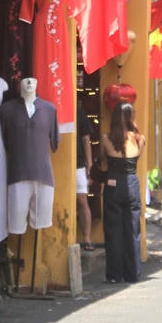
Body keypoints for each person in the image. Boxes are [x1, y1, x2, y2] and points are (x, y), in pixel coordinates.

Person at [0, 77, 59, 235]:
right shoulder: (6, 110)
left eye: (32, 81)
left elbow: (55, 142)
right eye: (26, 81)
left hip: (44, 176)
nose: (30, 83)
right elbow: (1, 142)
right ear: (19, 85)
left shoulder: (50, 109)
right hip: (17, 175)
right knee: (16, 225)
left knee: (42, 223)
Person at [101, 102, 145, 283]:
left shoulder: (106, 138)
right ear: (131, 117)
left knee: (113, 229)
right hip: (132, 182)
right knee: (132, 229)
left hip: (113, 182)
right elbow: (138, 158)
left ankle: (114, 274)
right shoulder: (139, 138)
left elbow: (103, 160)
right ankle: (132, 272)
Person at [75, 101, 96, 251]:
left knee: (82, 199)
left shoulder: (78, 111)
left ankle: (87, 237)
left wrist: (89, 165)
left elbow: (86, 139)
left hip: (79, 163)